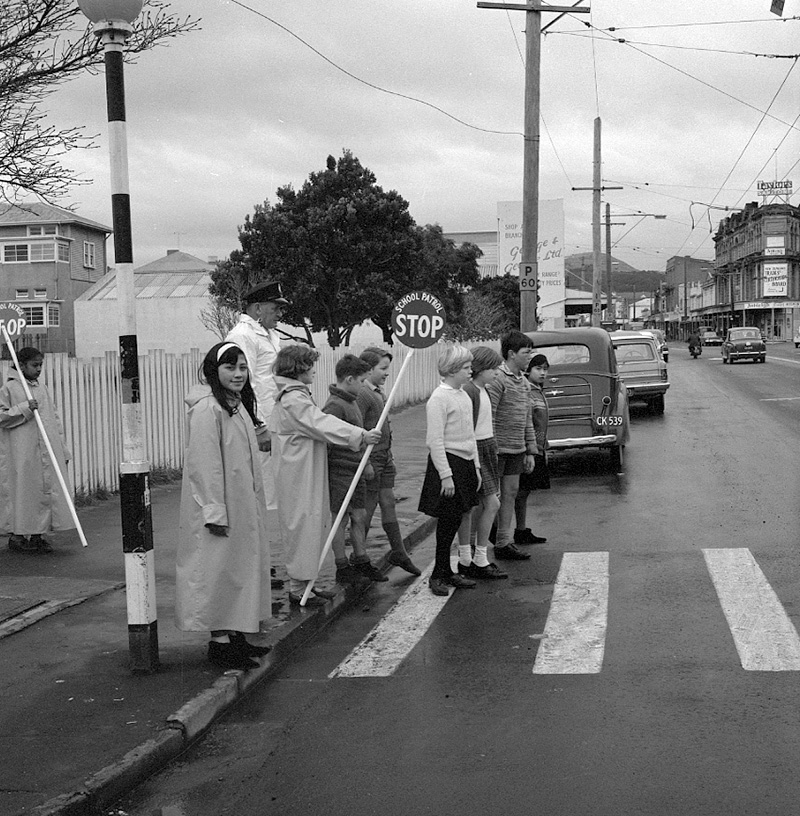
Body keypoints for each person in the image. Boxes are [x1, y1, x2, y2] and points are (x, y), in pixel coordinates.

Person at [175, 342, 272, 672]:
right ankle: (220, 644)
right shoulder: (208, 409)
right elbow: (205, 465)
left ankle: (236, 635)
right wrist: (214, 509)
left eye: (243, 367)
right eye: (230, 367)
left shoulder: (235, 405)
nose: (239, 374)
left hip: (241, 503)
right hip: (219, 505)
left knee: (238, 570)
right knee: (218, 572)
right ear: (213, 371)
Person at [271, 345, 381, 606]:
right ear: (298, 368)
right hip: (298, 475)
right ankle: (298, 589)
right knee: (302, 527)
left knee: (308, 527)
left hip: (302, 471)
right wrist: (359, 435)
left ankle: (304, 586)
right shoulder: (293, 399)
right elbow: (320, 423)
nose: (314, 370)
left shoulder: (293, 396)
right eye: (310, 365)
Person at [226, 279, 289, 590]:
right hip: (258, 427)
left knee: (266, 497)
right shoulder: (242, 336)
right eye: (276, 308)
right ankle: (257, 567)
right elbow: (242, 383)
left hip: (272, 424)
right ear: (258, 308)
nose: (279, 313)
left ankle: (263, 564)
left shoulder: (268, 334)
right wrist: (258, 425)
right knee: (257, 497)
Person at [418, 345, 480, 596]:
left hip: (464, 463)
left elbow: (470, 434)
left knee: (456, 518)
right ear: (453, 370)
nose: (470, 372)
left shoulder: (463, 395)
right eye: (466, 368)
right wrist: (446, 475)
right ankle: (438, 574)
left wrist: (475, 466)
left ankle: (447, 570)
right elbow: (435, 441)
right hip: (448, 463)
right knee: (447, 521)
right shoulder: (439, 399)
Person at [0, 347, 74, 554]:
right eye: (35, 365)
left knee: (44, 491)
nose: (39, 369)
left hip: (46, 449)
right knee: (24, 492)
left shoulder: (42, 388)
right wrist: (24, 408)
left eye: (40, 365)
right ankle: (18, 534)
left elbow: (54, 419)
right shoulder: (9, 389)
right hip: (21, 452)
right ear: (21, 365)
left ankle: (38, 534)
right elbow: (1, 416)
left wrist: (62, 449)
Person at [322, 354, 386, 585]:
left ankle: (361, 559)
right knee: (339, 517)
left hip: (356, 469)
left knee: (359, 515)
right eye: (361, 381)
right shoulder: (334, 406)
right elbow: (327, 439)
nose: (363, 386)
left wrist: (365, 462)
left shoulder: (351, 402)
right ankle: (341, 565)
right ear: (349, 379)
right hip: (340, 470)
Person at [357, 347, 421, 576]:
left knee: (388, 501)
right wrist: (366, 463)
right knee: (368, 505)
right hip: (372, 457)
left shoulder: (378, 391)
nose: (386, 373)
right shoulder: (362, 394)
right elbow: (357, 427)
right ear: (367, 369)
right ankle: (359, 555)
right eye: (382, 368)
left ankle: (398, 551)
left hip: (385, 456)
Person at [485, 330, 537, 561]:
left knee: (511, 493)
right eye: (526, 353)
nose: (530, 357)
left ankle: (504, 542)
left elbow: (527, 419)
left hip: (517, 449)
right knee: (491, 499)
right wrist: (492, 447)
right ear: (511, 354)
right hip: (497, 450)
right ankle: (484, 543)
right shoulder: (498, 380)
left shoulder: (524, 383)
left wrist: (530, 450)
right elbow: (490, 415)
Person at [459, 346, 508, 580]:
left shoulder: (483, 390)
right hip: (476, 450)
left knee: (479, 505)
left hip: (486, 447)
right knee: (489, 504)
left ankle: (472, 556)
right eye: (494, 369)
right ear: (482, 369)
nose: (497, 373)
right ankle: (476, 557)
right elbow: (468, 429)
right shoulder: (471, 391)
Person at [514, 353, 550, 544]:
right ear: (529, 370)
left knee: (525, 491)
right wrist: (530, 448)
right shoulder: (528, 390)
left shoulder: (538, 390)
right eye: (538, 369)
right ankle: (502, 531)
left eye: (545, 369)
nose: (542, 373)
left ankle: (521, 529)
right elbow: (526, 421)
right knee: (518, 491)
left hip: (538, 448)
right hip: (528, 448)